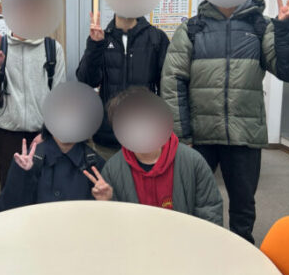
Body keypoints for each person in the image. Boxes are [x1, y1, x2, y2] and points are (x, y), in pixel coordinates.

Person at [161, 0, 289, 243]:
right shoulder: (192, 29)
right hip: (200, 135)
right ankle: (193, 249)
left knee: (243, 206)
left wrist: (288, 29)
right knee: (192, 200)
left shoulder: (261, 27)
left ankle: (241, 252)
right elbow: (172, 83)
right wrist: (181, 135)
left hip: (244, 134)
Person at [86, 87, 223, 226]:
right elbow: (113, 225)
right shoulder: (112, 169)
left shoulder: (192, 161)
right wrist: (107, 202)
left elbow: (210, 210)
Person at [0, 33, 66, 187]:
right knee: (11, 190)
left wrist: (47, 133)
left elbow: (60, 98)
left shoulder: (52, 48)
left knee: (45, 190)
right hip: (8, 135)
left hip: (43, 135)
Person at [76, 11, 170, 160]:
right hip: (108, 139)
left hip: (145, 138)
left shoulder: (156, 38)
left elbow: (168, 88)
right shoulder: (102, 38)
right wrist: (95, 46)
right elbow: (86, 81)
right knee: (107, 176)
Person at [0, 124, 106, 211]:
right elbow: (6, 209)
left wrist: (106, 200)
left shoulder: (95, 162)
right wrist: (22, 173)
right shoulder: (29, 160)